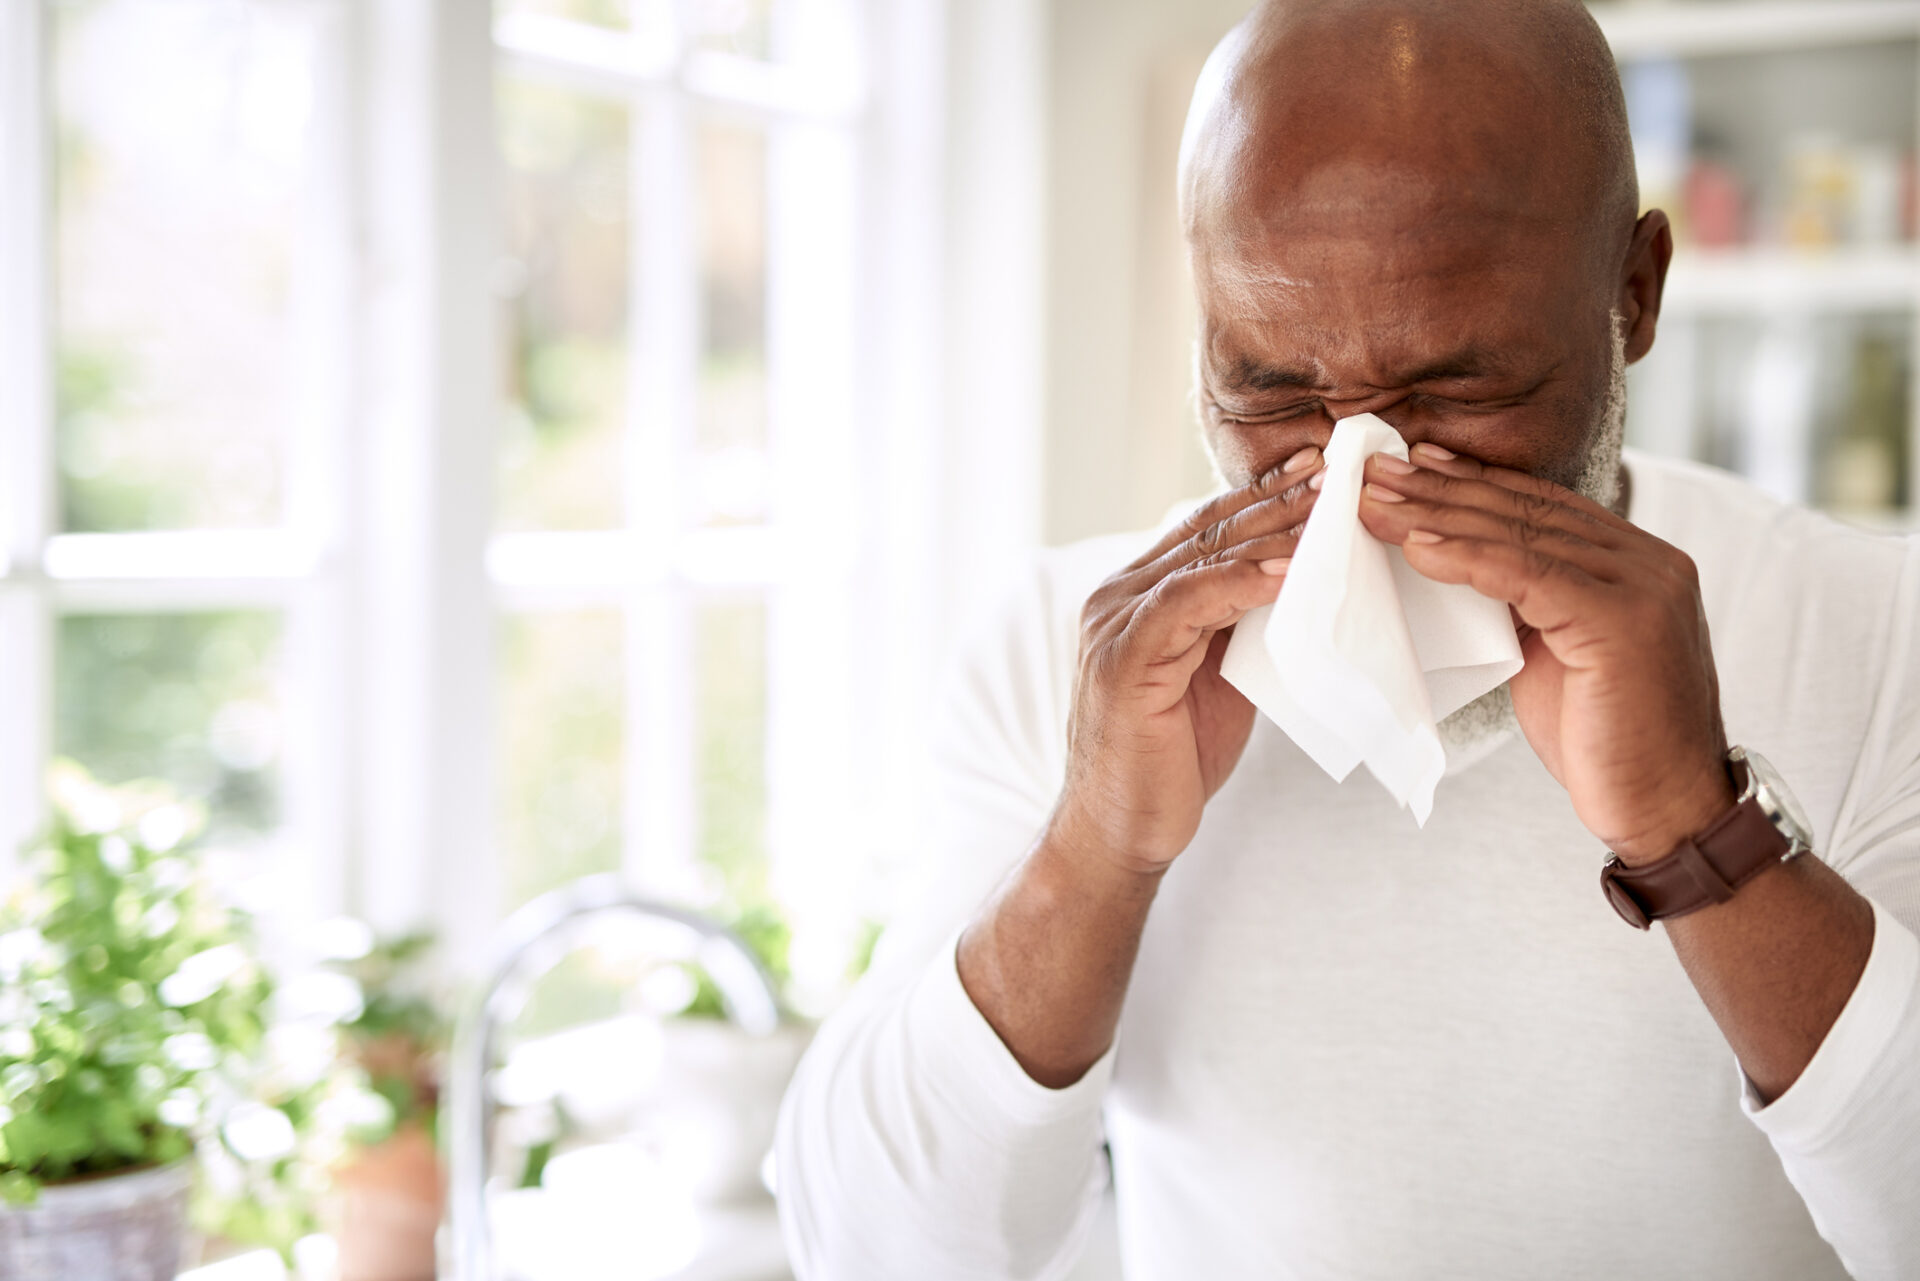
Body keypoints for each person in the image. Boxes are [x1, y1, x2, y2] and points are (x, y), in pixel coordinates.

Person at [774, 0, 1920, 1276]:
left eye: (1459, 388)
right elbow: (872, 1248)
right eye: (1271, 392)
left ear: (1633, 294)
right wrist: (1097, 843)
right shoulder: (1063, 650)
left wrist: (1695, 829)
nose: (1358, 481)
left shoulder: (1874, 636)